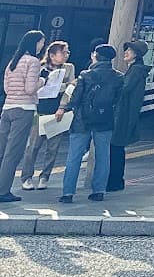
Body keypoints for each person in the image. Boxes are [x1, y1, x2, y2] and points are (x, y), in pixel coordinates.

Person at [59, 44, 120, 204]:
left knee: (74, 156)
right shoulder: (119, 77)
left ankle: (68, 192)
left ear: (96, 56)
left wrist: (64, 108)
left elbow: (75, 98)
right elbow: (118, 100)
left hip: (82, 119)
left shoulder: (85, 75)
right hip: (105, 118)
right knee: (103, 155)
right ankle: (99, 190)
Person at [21, 40, 75, 192]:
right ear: (52, 55)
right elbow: (33, 88)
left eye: (67, 52)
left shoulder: (69, 68)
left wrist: (62, 106)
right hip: (39, 111)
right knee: (33, 147)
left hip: (58, 110)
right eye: (63, 52)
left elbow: (71, 87)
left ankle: (45, 176)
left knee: (53, 147)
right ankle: (26, 177)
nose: (66, 55)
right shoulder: (40, 67)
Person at [0, 29, 46, 203]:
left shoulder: (12, 62)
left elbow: (6, 88)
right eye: (41, 42)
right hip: (24, 109)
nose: (42, 45)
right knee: (14, 151)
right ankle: (3, 190)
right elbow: (30, 89)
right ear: (34, 43)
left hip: (7, 108)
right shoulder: (33, 61)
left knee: (2, 150)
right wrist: (43, 80)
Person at [107, 39, 149, 193]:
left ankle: (114, 181)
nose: (126, 53)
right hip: (126, 113)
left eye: (129, 51)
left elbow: (125, 90)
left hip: (123, 114)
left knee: (115, 147)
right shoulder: (136, 69)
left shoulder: (136, 70)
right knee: (117, 148)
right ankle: (116, 180)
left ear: (136, 54)